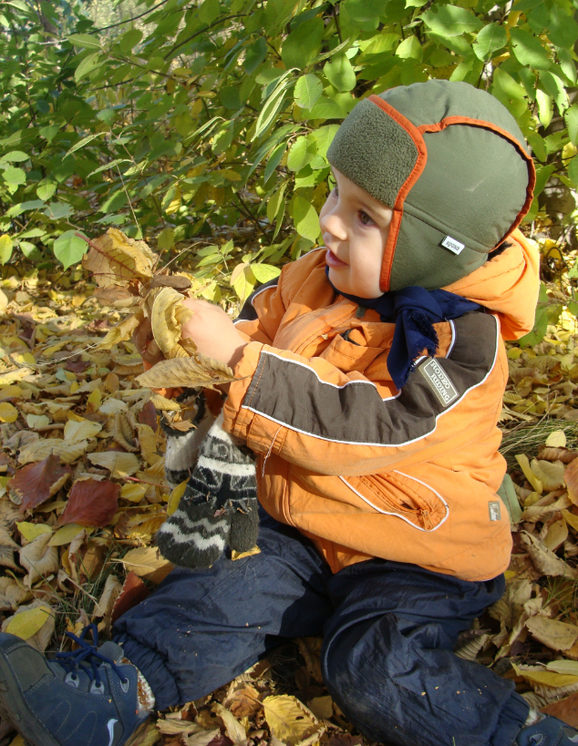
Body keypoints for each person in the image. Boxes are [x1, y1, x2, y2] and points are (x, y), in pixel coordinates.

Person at [0, 80, 575, 746]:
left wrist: (240, 363)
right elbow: (252, 341)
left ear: (432, 244)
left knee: (374, 665)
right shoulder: (312, 277)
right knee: (214, 582)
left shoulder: (461, 342)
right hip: (304, 527)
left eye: (365, 217)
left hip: (417, 552)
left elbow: (371, 424)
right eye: (335, 193)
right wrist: (191, 355)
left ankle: (517, 735)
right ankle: (109, 693)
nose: (330, 221)